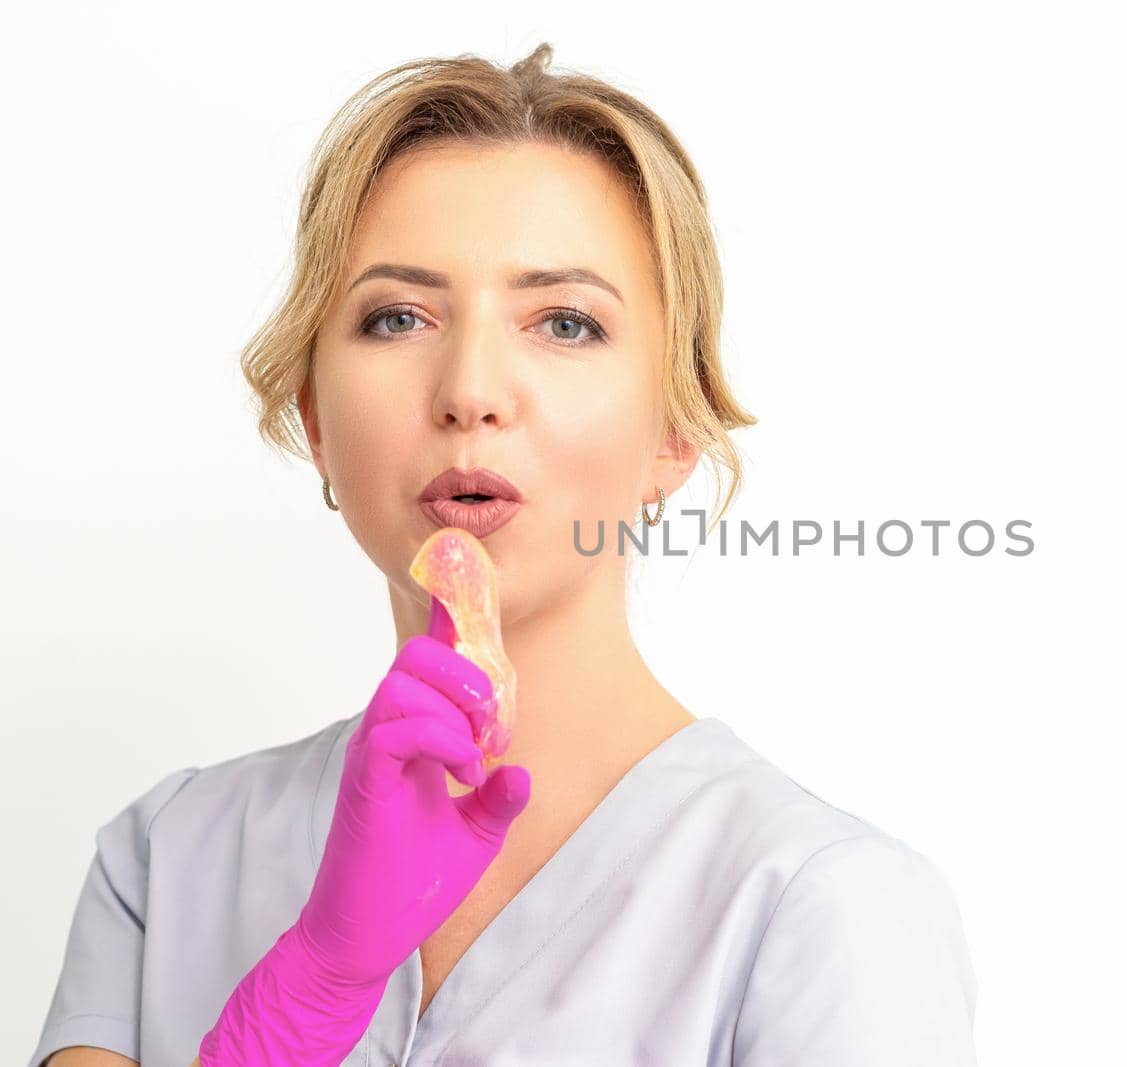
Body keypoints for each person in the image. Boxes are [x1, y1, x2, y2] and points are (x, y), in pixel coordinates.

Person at [30, 42, 980, 1067]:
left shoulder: (821, 904)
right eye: (397, 316)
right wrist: (310, 989)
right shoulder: (167, 858)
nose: (469, 386)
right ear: (313, 417)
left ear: (674, 431)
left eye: (565, 323)